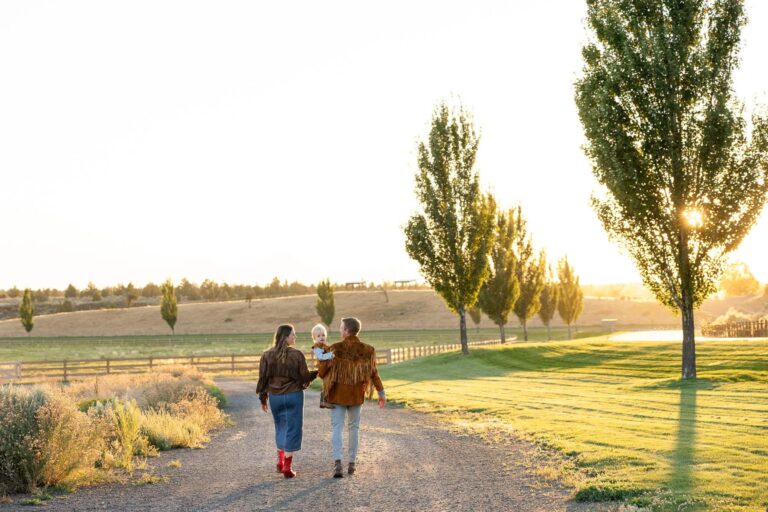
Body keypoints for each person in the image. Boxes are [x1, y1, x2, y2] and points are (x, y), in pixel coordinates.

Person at [317, 317, 386, 478]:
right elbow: (374, 373)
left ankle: (337, 464)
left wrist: (321, 357)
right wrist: (381, 393)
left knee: (337, 428)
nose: (340, 330)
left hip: (337, 395)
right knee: (354, 428)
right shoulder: (368, 350)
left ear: (347, 330)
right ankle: (352, 464)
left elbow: (322, 373)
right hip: (356, 395)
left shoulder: (334, 349)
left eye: (341, 328)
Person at [256, 324, 318, 478]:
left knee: (280, 427)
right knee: (293, 428)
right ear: (285, 337)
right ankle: (287, 467)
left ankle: (280, 462)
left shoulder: (266, 355)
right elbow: (304, 377)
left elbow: (263, 379)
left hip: (275, 397)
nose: (295, 337)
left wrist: (263, 398)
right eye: (293, 335)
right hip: (294, 395)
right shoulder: (297, 355)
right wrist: (317, 373)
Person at [310, 324, 335, 409]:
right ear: (314, 338)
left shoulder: (326, 346)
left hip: (328, 368)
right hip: (323, 369)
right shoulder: (317, 347)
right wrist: (331, 354)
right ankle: (324, 401)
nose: (322, 337)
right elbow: (321, 356)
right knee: (328, 383)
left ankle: (326, 400)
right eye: (318, 336)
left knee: (330, 382)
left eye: (323, 335)